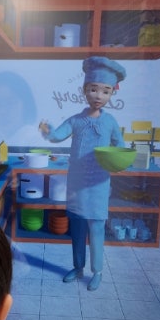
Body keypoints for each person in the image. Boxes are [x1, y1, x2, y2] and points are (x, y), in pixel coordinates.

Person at [38, 56, 126, 291]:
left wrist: (120, 161)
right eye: (93, 89)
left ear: (111, 94)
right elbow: (57, 135)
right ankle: (78, 267)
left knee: (96, 228)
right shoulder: (76, 120)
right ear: (84, 90)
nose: (98, 96)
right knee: (77, 228)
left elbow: (120, 146)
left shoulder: (110, 122)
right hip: (76, 184)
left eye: (105, 91)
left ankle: (97, 271)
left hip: (99, 184)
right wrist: (47, 130)